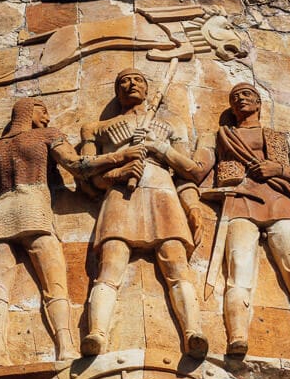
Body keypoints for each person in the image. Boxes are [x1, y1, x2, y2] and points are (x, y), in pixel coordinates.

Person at [0, 97, 144, 365]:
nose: (48, 117)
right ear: (28, 112)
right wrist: (118, 156)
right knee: (55, 286)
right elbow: (77, 165)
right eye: (43, 111)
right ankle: (65, 348)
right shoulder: (47, 136)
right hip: (33, 210)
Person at [79, 68, 210, 359]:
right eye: (123, 80)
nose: (130, 84)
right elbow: (88, 179)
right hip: (120, 195)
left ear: (148, 88)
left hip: (162, 191)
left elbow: (189, 172)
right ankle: (97, 334)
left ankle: (193, 332)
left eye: (138, 79)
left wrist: (159, 148)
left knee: (176, 264)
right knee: (110, 264)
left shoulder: (171, 124)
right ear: (116, 91)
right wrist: (118, 171)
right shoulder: (96, 129)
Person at [213, 82, 290, 371]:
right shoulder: (224, 137)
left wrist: (277, 169)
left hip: (279, 203)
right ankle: (237, 339)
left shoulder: (282, 138)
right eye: (235, 97)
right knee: (238, 274)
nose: (240, 100)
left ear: (258, 103)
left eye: (247, 95)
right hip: (241, 203)